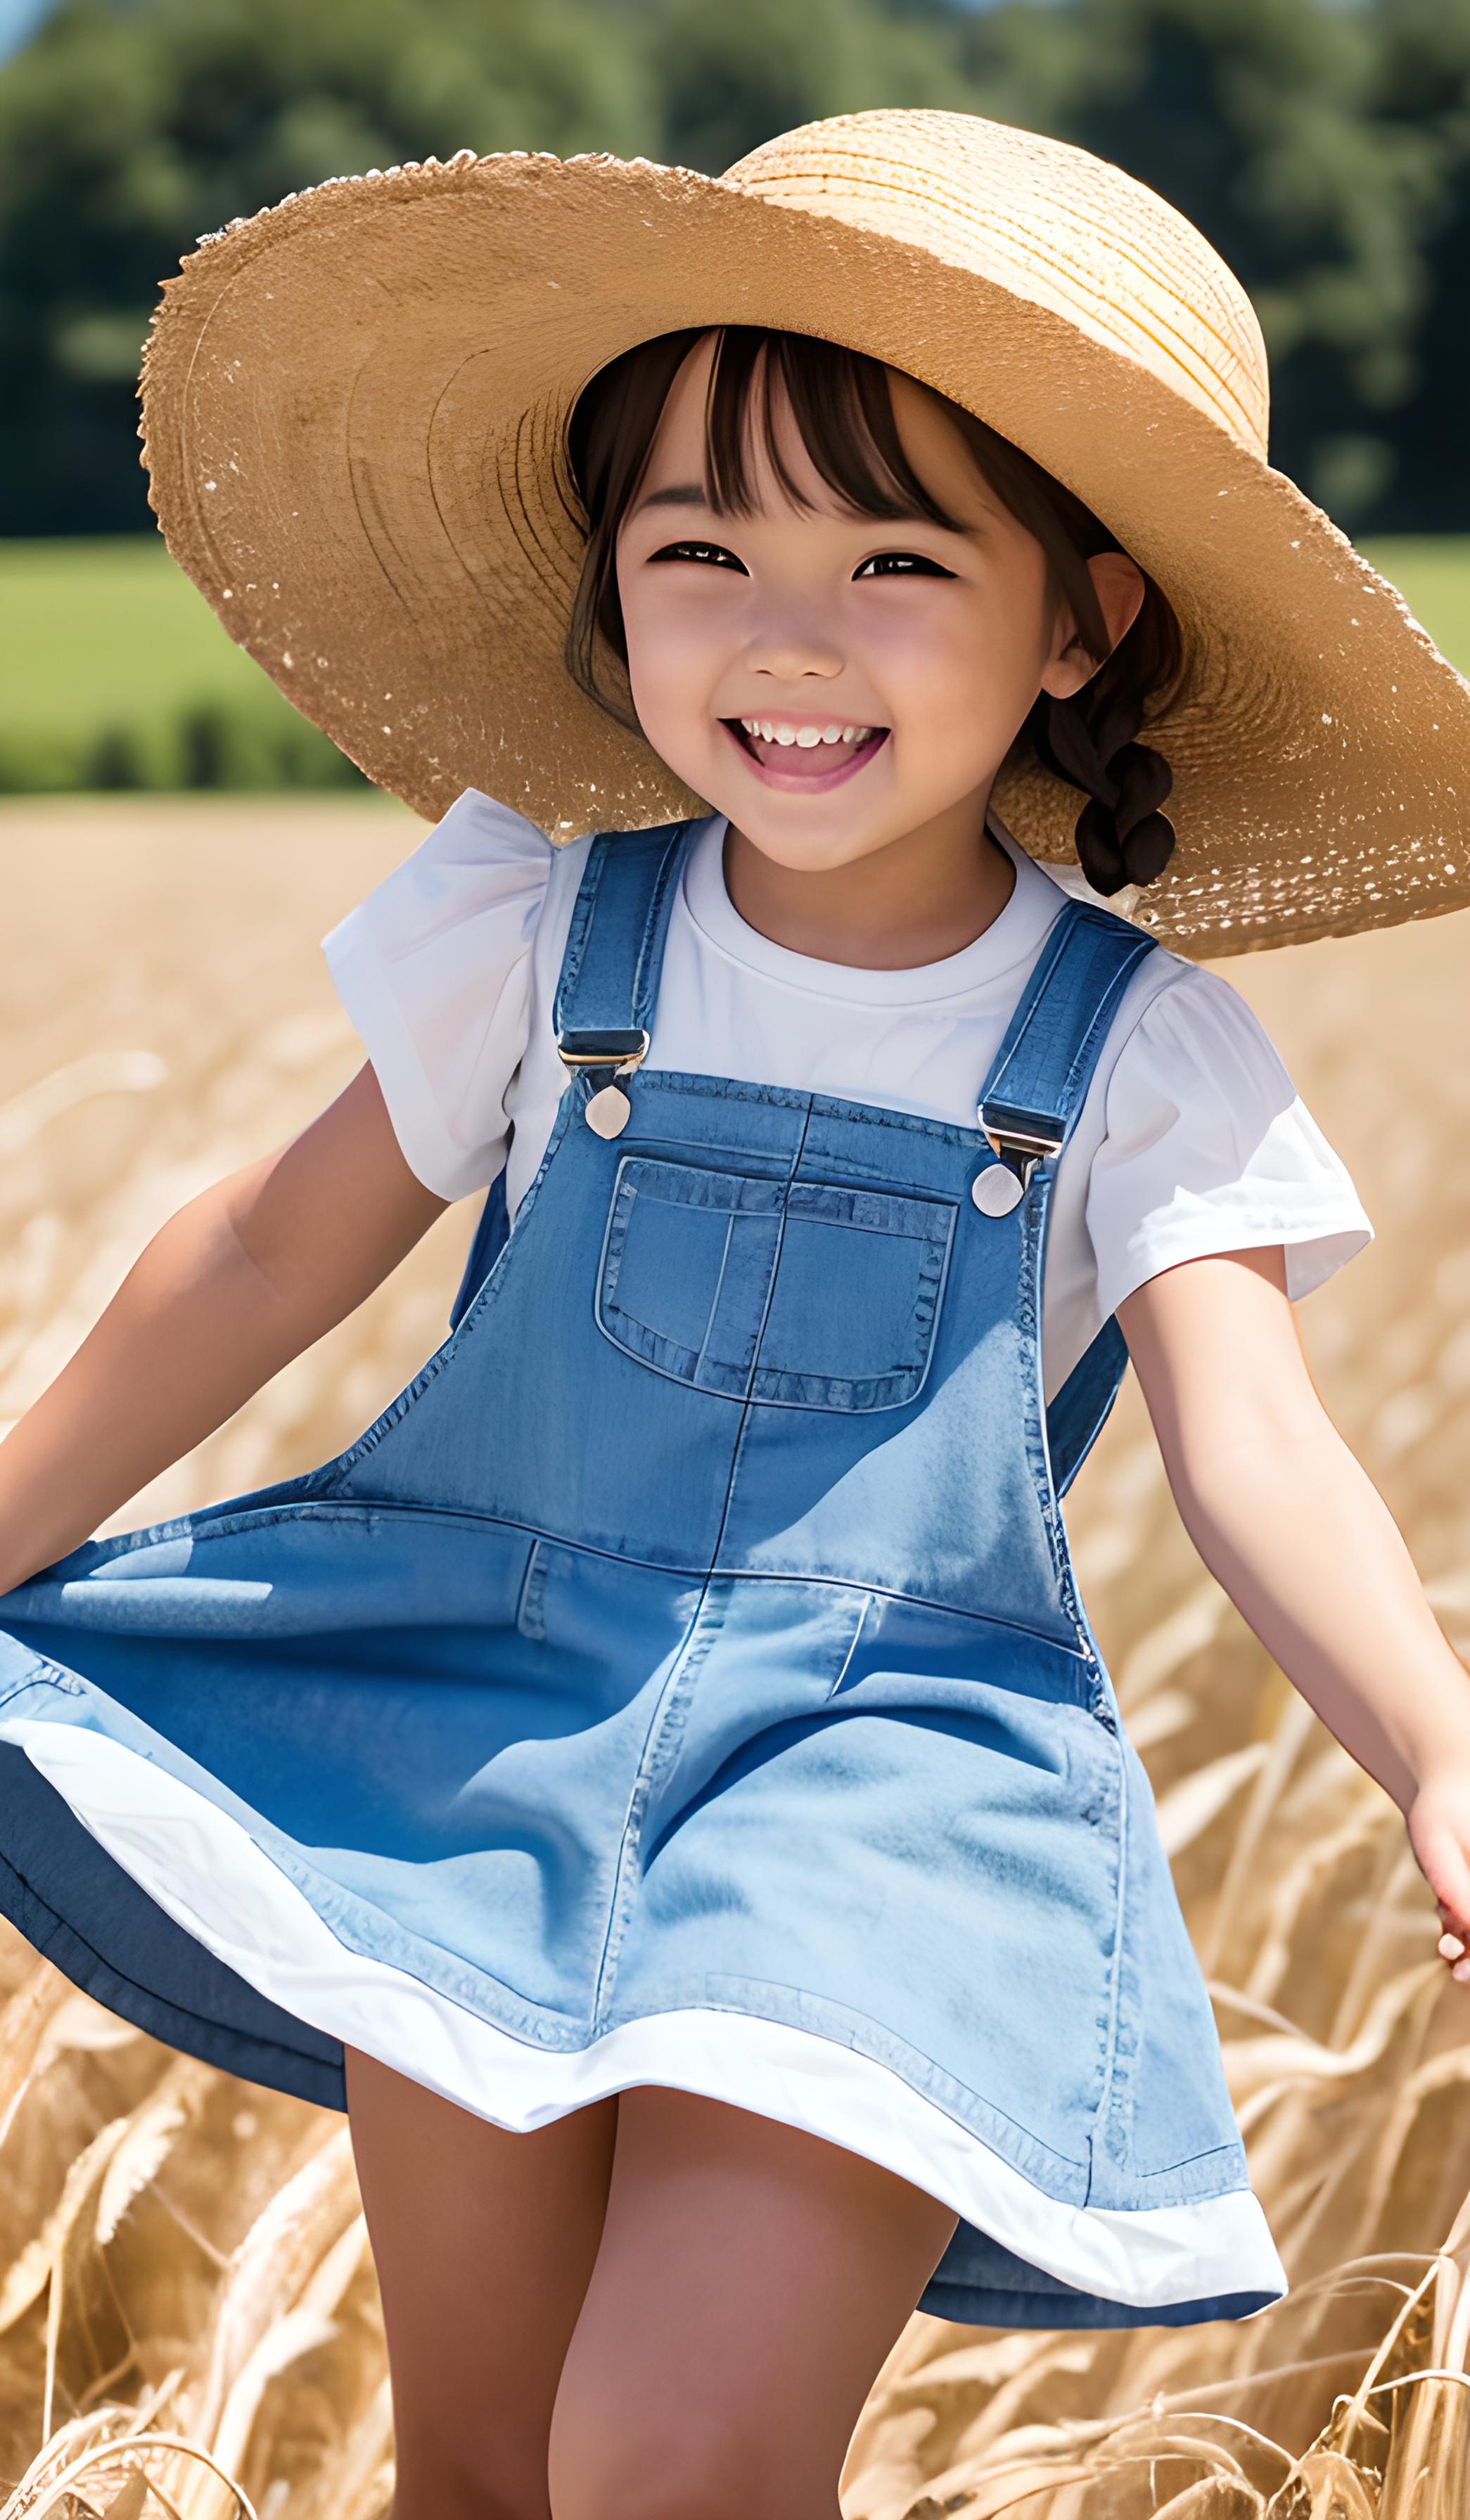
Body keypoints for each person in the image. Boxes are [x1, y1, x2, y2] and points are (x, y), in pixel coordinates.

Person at [2, 108, 1469, 2520]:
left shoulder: (1133, 1050)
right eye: (703, 549)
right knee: (475, 2469)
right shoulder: (536, 930)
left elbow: (1255, 1442)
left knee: (669, 2459)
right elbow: (270, 1251)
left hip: (886, 1784)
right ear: (610, 580)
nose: (787, 636)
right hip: (475, 1724)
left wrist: (1426, 1748)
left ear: (1080, 618)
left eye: (899, 555)